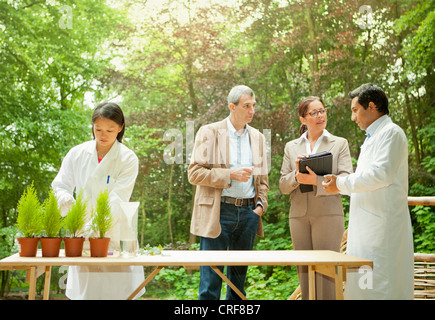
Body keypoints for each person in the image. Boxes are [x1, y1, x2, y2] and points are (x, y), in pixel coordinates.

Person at [322, 83, 414, 300]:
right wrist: (340, 184)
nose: (353, 117)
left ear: (371, 106)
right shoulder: (371, 138)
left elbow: (381, 175)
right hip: (364, 230)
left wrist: (341, 183)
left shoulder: (392, 134)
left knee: (383, 286)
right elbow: (365, 181)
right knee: (363, 284)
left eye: (355, 110)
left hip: (383, 230)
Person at [52, 102, 145, 300]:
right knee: (86, 293)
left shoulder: (127, 158)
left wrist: (95, 226)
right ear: (92, 127)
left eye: (110, 130)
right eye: (98, 129)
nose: (103, 135)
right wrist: (64, 197)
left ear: (120, 128)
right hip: (80, 231)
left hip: (114, 233)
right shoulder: (77, 154)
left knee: (119, 292)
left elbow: (118, 198)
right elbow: (60, 184)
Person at [188, 85, 269, 300]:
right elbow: (194, 173)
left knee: (237, 285)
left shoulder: (259, 138)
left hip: (249, 213)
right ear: (232, 107)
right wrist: (229, 175)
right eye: (246, 106)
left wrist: (261, 205)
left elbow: (263, 179)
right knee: (210, 282)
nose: (252, 110)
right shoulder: (209, 132)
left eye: (253, 105)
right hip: (218, 212)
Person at [279, 96, 353, 300]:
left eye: (322, 111)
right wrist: (296, 175)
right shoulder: (291, 147)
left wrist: (315, 181)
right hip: (298, 216)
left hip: (328, 215)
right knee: (305, 275)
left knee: (327, 275)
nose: (320, 115)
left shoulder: (339, 144)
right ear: (302, 119)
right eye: (314, 112)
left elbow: (346, 179)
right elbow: (283, 186)